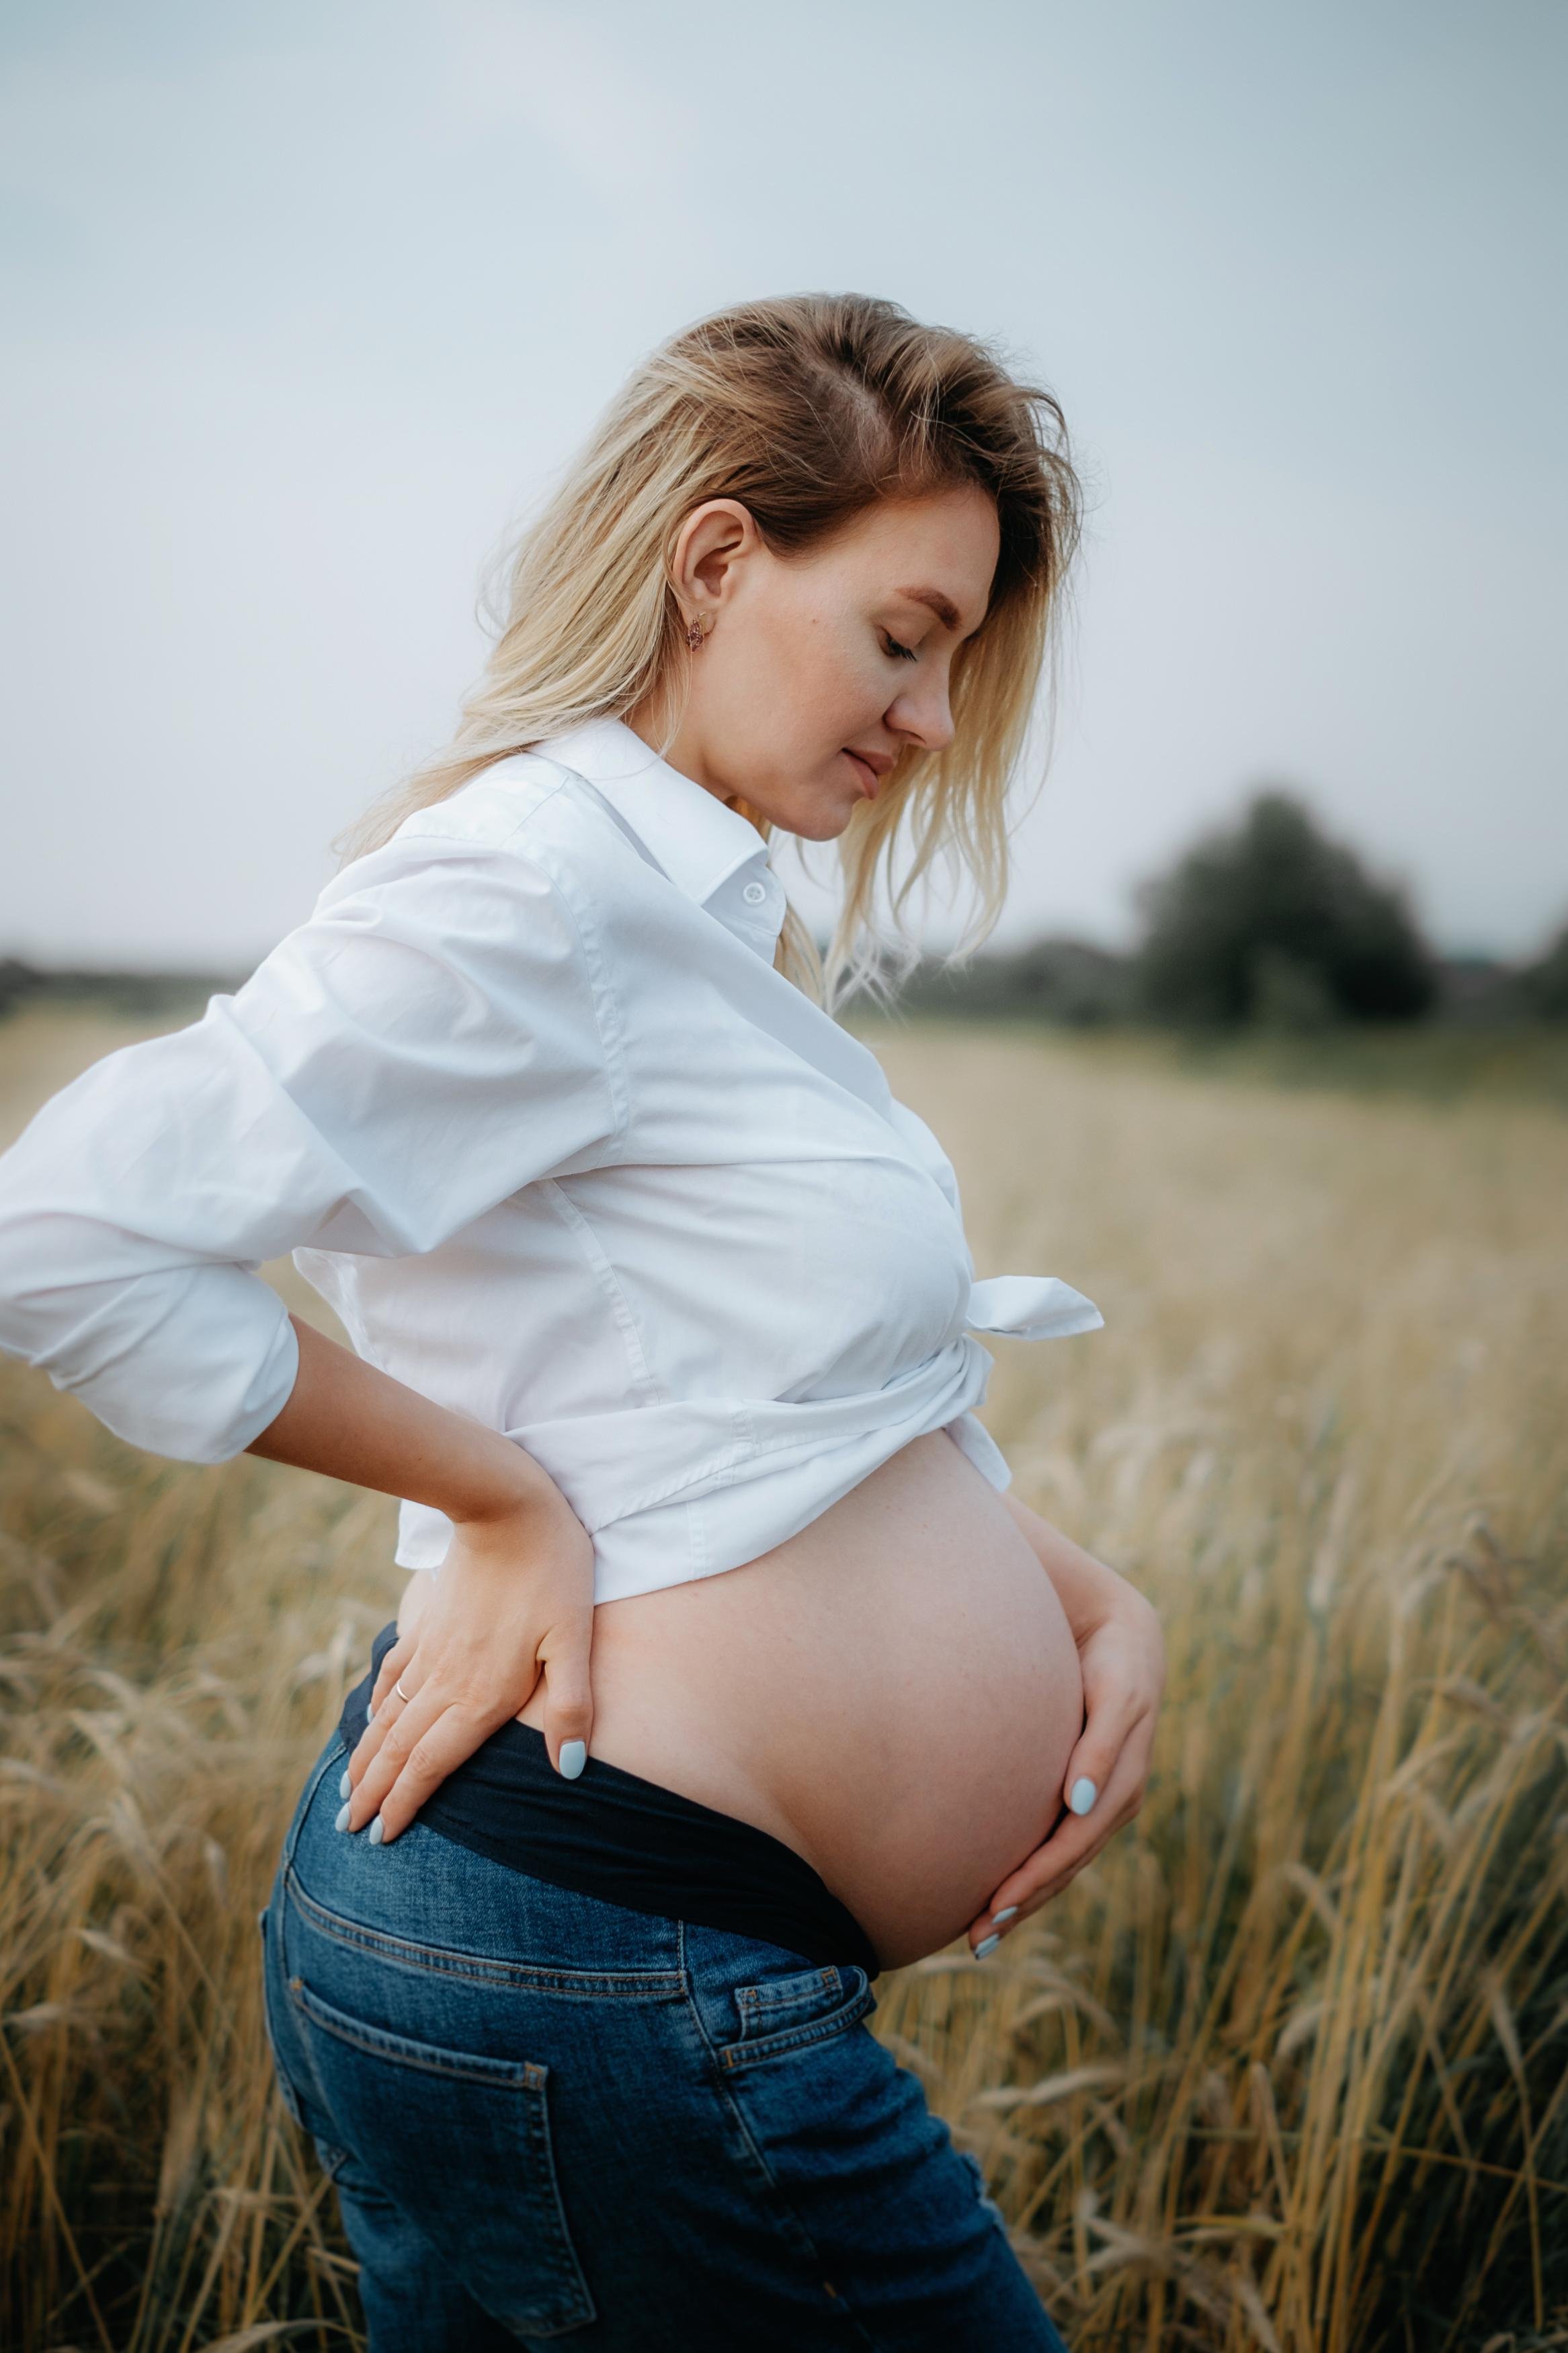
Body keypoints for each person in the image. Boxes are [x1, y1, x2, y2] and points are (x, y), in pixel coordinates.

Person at [0, 292, 1165, 2349]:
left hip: (585, 1954)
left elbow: (753, 1404)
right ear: (717, 559)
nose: (935, 719)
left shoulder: (679, 913)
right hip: (591, 1959)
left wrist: (1085, 1600)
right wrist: (497, 1500)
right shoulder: (531, 888)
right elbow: (66, 1231)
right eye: (905, 636)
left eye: (961, 661)